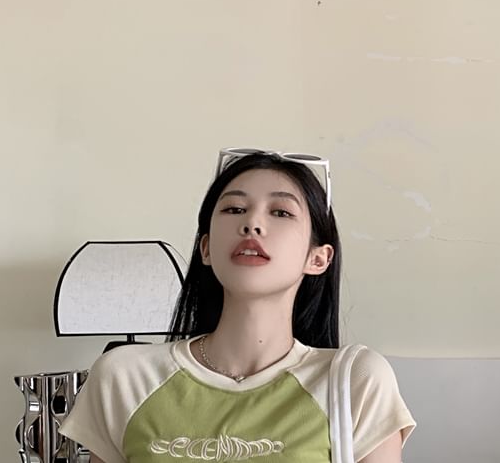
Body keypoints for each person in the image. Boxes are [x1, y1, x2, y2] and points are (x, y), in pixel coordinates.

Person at [59, 149, 416, 463]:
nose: (252, 224)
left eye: (281, 212)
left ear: (318, 258)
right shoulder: (123, 377)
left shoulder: (357, 380)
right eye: (234, 209)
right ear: (206, 249)